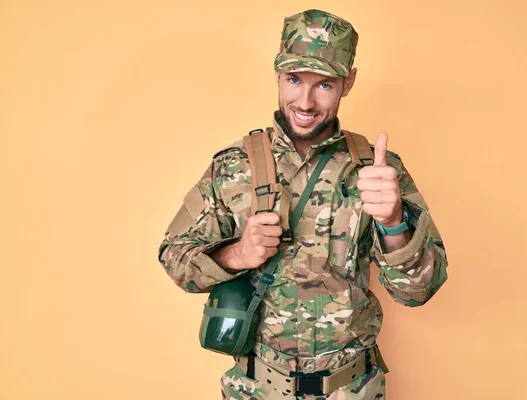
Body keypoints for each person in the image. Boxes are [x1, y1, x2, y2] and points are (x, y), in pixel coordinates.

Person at [158, 9, 448, 399]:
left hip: (352, 389)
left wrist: (394, 222)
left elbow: (419, 291)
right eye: (294, 80)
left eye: (324, 84)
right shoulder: (233, 166)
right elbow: (173, 258)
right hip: (257, 389)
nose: (305, 102)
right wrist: (236, 254)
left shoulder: (377, 170)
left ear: (349, 83)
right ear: (277, 74)